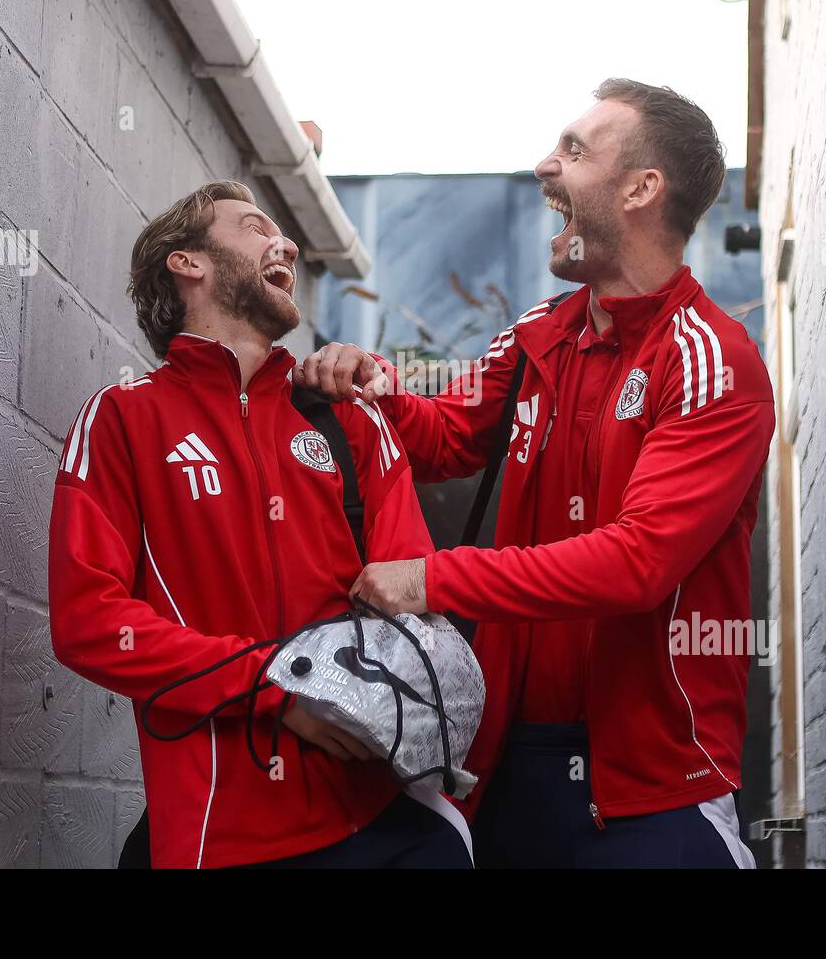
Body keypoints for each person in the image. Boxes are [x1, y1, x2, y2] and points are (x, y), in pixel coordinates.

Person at [296, 80, 775, 869]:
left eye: (575, 150)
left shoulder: (712, 358)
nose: (544, 167)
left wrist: (431, 579)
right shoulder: (535, 336)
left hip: (655, 791)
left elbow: (637, 562)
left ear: (641, 189)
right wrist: (369, 383)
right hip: (509, 768)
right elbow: (444, 435)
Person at [48, 180, 471, 869]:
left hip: (385, 828)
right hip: (214, 841)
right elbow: (87, 622)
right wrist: (275, 684)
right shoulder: (124, 418)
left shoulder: (350, 421)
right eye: (253, 226)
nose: (287, 244)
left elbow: (419, 609)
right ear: (188, 263)